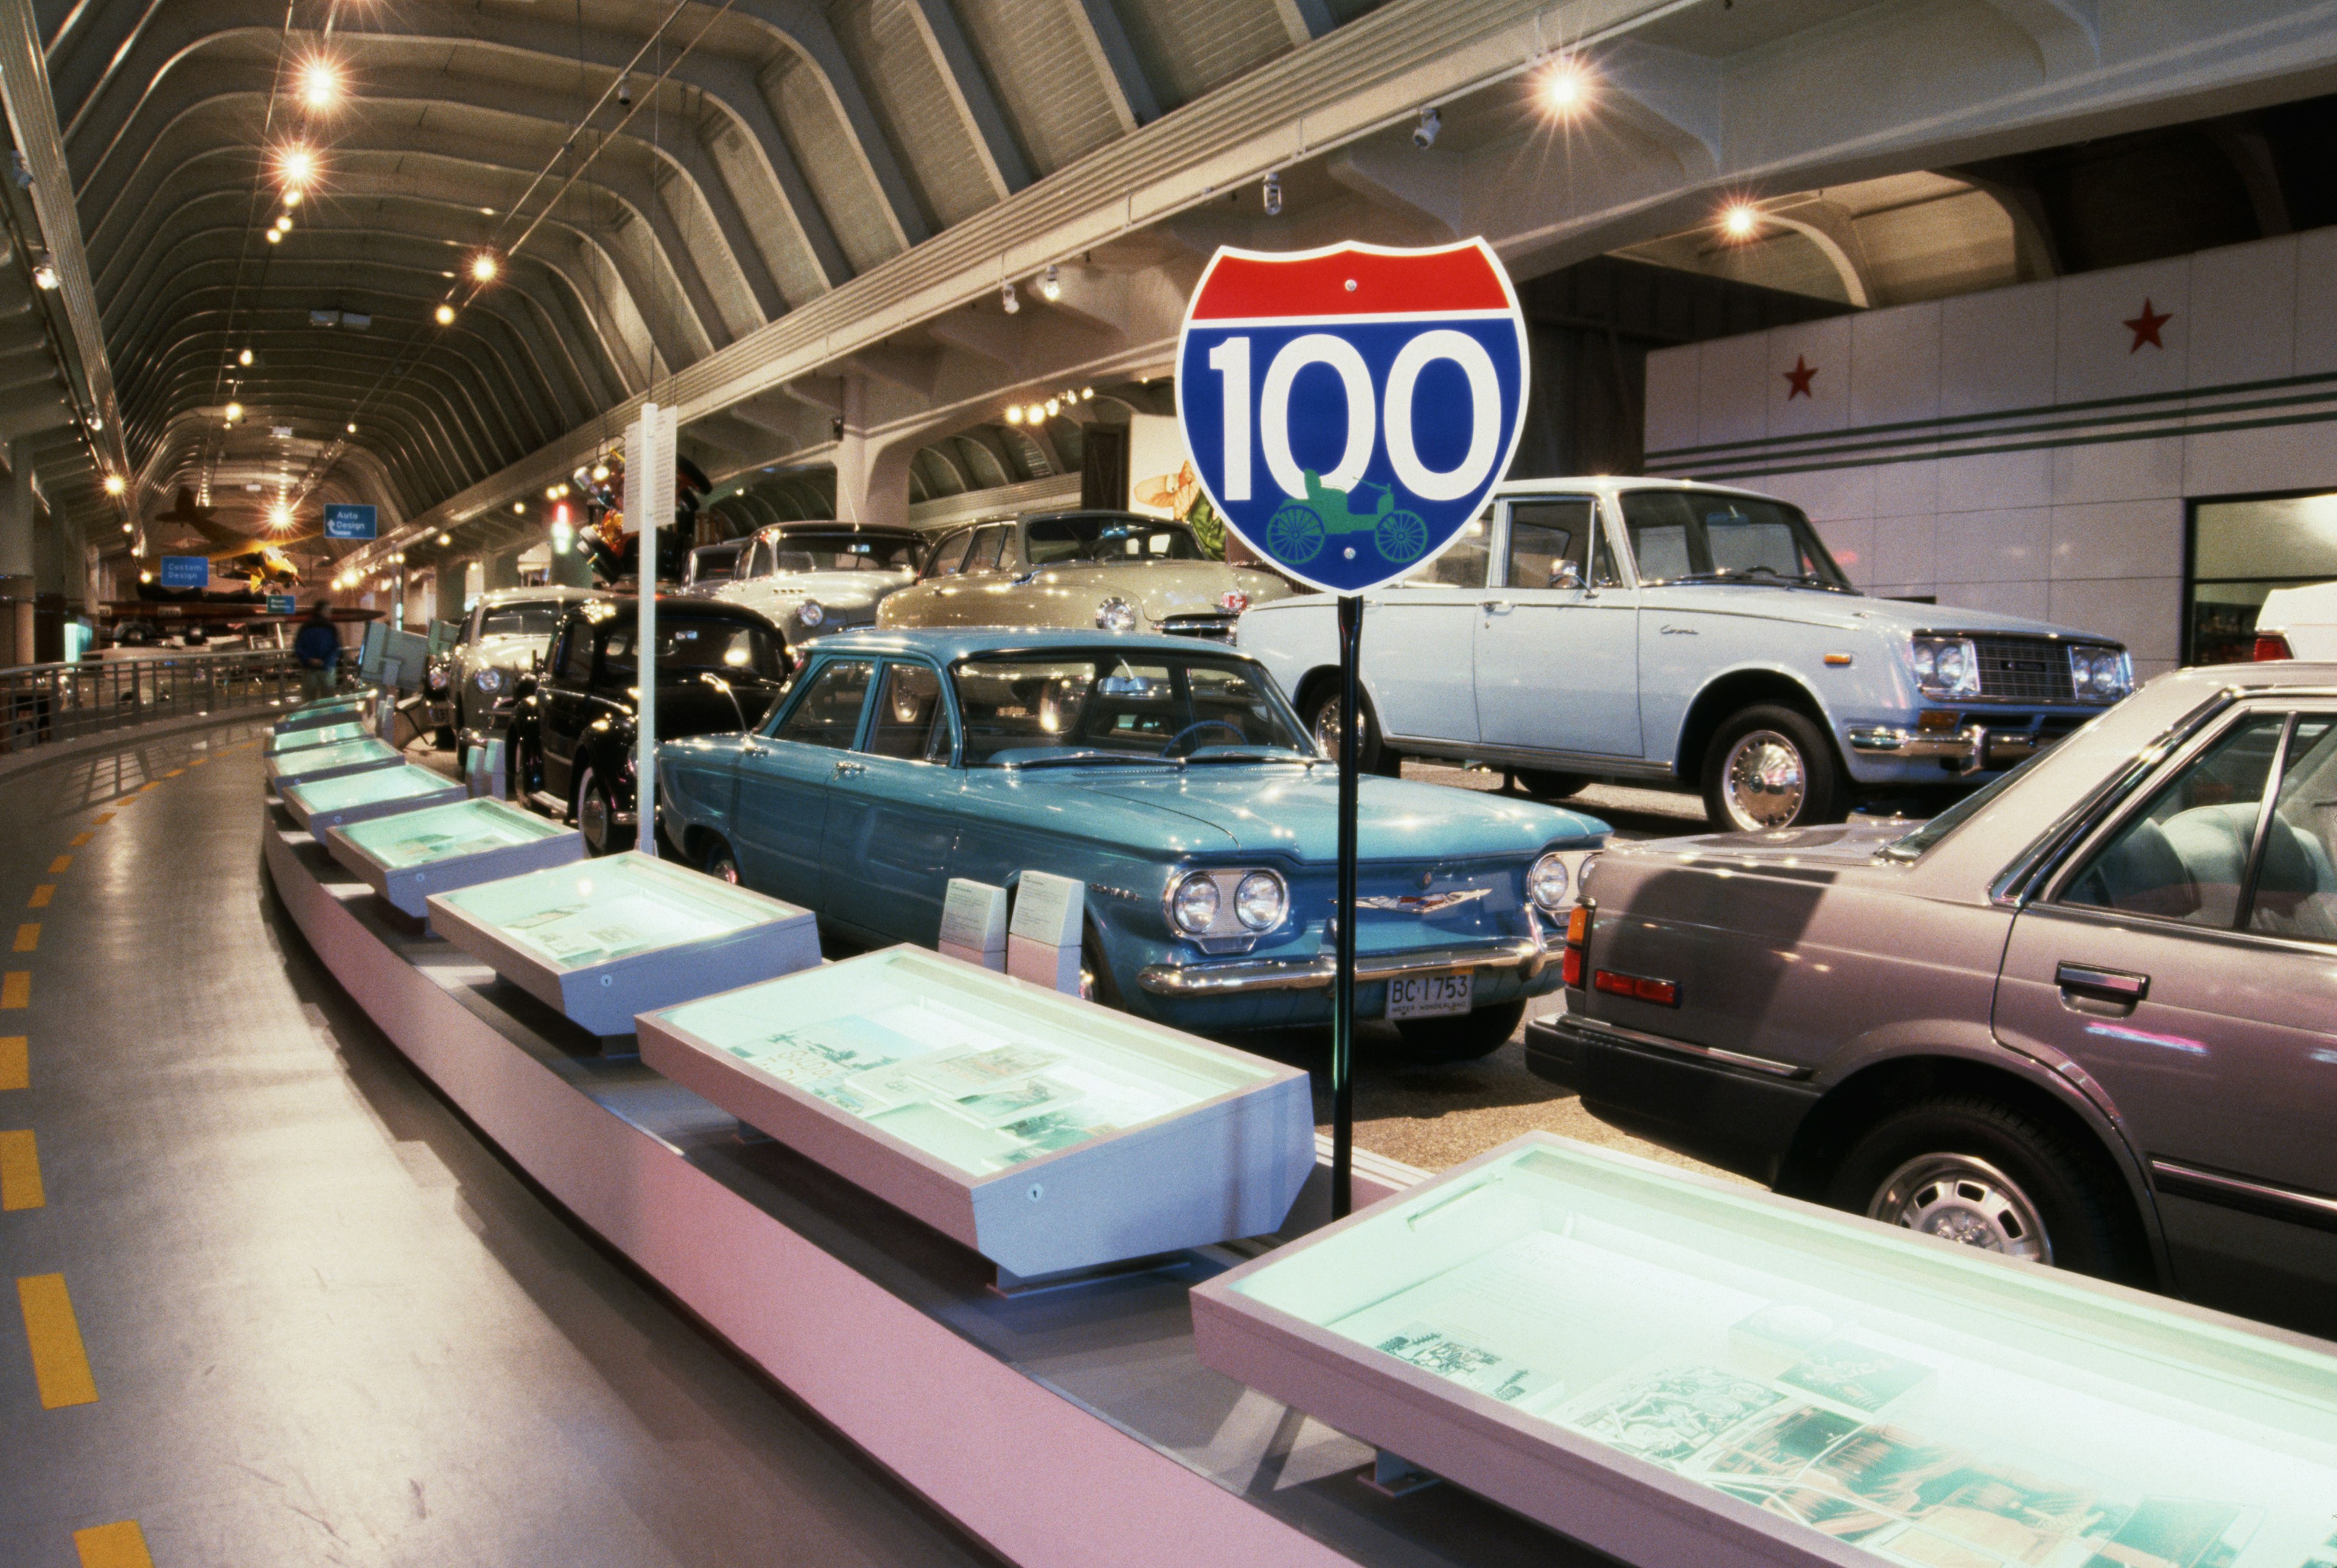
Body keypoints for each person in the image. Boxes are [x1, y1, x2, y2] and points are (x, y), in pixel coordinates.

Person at [293, 602, 341, 702]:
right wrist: (325, 660)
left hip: (309, 668)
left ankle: (310, 717)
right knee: (328, 698)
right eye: (327, 611)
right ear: (321, 611)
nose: (330, 613)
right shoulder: (331, 628)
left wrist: (308, 659)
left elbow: (299, 646)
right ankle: (326, 717)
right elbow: (335, 647)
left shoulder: (306, 627)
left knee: (309, 699)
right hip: (327, 668)